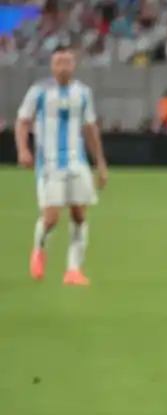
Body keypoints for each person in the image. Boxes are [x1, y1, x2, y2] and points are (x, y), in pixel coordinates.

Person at [15, 46, 108, 286]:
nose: (63, 67)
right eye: (58, 62)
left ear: (74, 65)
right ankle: (39, 249)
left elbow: (90, 128)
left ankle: (73, 270)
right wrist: (23, 149)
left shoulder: (83, 93)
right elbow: (23, 121)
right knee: (51, 218)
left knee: (79, 215)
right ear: (51, 66)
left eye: (67, 62)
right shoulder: (39, 91)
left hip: (77, 162)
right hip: (50, 163)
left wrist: (100, 163)